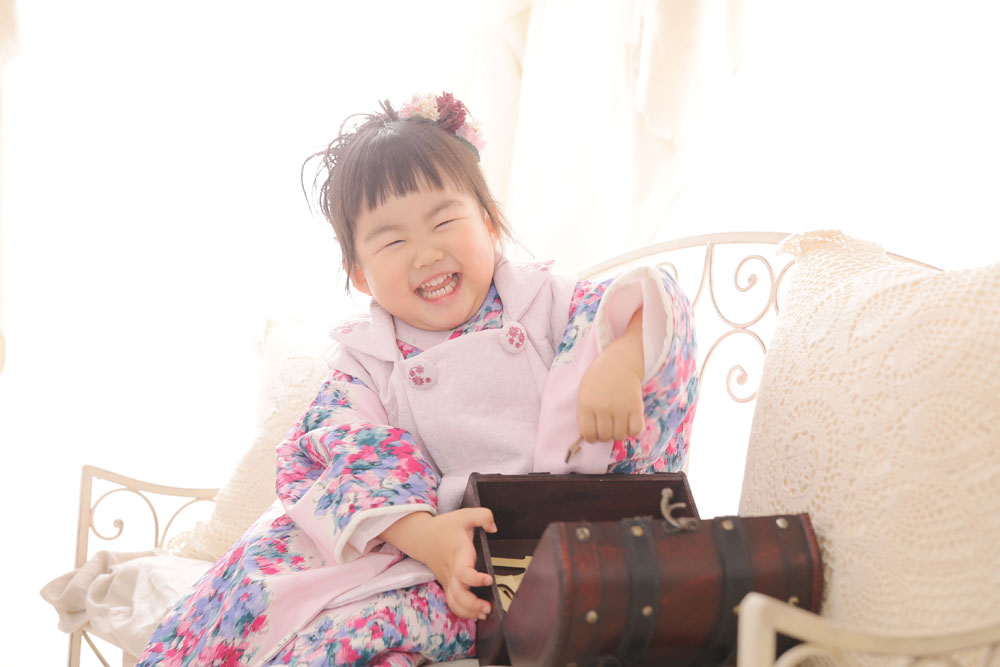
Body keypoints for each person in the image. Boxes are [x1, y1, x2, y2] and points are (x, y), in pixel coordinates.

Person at [138, 93, 698, 667]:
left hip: (556, 534)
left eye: (444, 222)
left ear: (489, 223)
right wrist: (423, 535)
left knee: (378, 625)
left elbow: (646, 300)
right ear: (359, 272)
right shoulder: (369, 359)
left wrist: (621, 360)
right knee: (278, 594)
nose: (426, 254)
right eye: (393, 240)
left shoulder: (544, 303)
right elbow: (343, 447)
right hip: (432, 549)